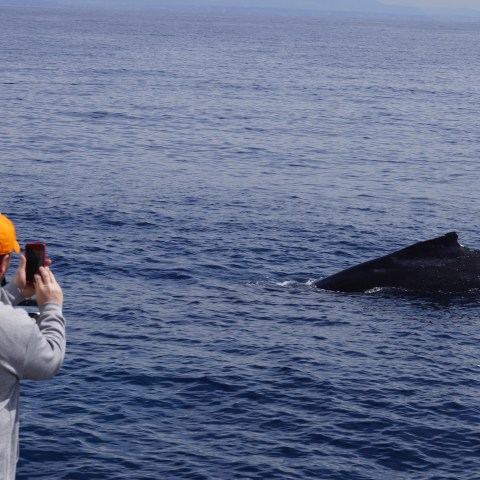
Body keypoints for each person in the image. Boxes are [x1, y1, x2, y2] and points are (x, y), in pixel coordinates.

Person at [0, 214, 66, 480]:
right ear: (4, 262)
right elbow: (49, 361)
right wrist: (51, 306)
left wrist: (14, 292)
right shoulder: (10, 325)